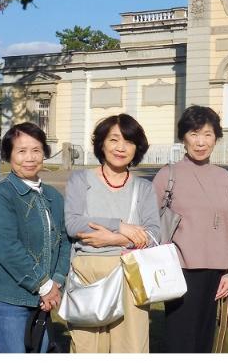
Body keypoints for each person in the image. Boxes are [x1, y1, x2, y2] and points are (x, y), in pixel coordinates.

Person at [63, 114, 160, 353]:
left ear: (137, 148)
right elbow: (74, 224)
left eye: (128, 141)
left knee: (131, 348)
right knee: (86, 348)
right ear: (102, 143)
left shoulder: (144, 187)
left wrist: (113, 238)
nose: (120, 147)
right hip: (87, 278)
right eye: (114, 139)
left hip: (131, 279)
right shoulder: (80, 179)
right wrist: (121, 226)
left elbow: (155, 235)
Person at [152, 105, 228, 352]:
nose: (201, 142)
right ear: (183, 138)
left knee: (205, 338)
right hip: (180, 270)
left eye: (208, 134)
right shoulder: (168, 174)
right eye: (194, 134)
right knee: (180, 338)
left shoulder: (224, 176)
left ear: (216, 138)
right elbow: (150, 223)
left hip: (216, 272)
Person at [0, 122, 70, 352]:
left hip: (43, 299)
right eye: (21, 151)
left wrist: (56, 281)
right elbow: (8, 248)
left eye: (36, 150)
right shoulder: (1, 195)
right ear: (9, 155)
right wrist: (44, 285)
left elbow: (64, 240)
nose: (29, 157)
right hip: (7, 298)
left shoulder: (52, 196)